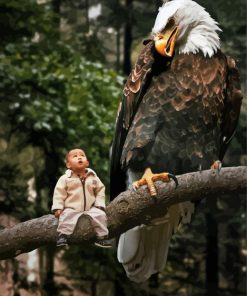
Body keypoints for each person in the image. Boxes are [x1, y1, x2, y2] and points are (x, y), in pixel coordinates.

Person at [52, 148, 112, 248]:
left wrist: (99, 204)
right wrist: (58, 207)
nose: (79, 157)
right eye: (75, 156)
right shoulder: (65, 178)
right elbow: (59, 193)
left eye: (82, 155)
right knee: (66, 217)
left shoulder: (93, 177)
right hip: (72, 208)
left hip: (90, 207)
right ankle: (63, 235)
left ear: (87, 163)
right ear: (68, 165)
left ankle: (102, 237)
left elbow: (100, 190)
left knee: (100, 215)